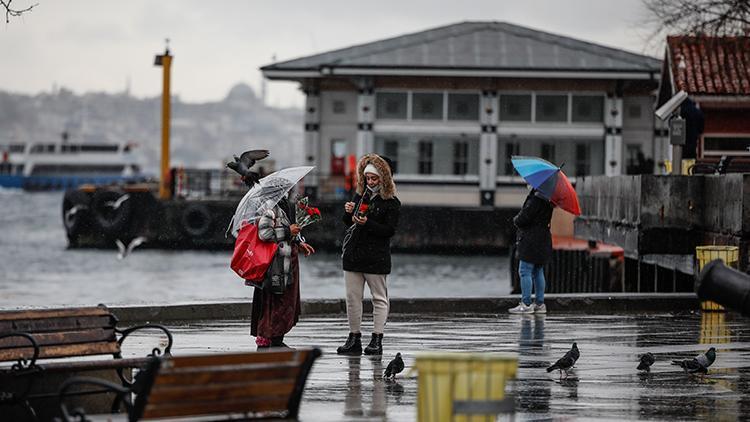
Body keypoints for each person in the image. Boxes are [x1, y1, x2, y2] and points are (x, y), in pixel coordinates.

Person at [337, 154, 400, 356]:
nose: (370, 182)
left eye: (374, 178)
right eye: (367, 178)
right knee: (352, 298)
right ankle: (353, 338)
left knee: (379, 298)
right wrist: (348, 213)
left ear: (384, 178)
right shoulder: (360, 196)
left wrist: (368, 223)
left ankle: (376, 339)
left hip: (376, 257)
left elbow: (389, 230)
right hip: (354, 254)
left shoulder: (392, 203)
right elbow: (349, 223)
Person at [251, 191, 315, 349]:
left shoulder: (283, 207)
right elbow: (264, 234)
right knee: (278, 301)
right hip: (276, 265)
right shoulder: (270, 209)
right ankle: (273, 338)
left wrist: (299, 243)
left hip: (285, 262)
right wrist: (288, 232)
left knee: (282, 301)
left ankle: (272, 337)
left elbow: (285, 232)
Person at [509, 187, 553, 314]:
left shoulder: (535, 200)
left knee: (525, 270)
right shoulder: (548, 199)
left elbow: (522, 219)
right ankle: (540, 304)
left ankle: (526, 304)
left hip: (531, 239)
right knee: (538, 270)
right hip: (543, 239)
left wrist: (516, 219)